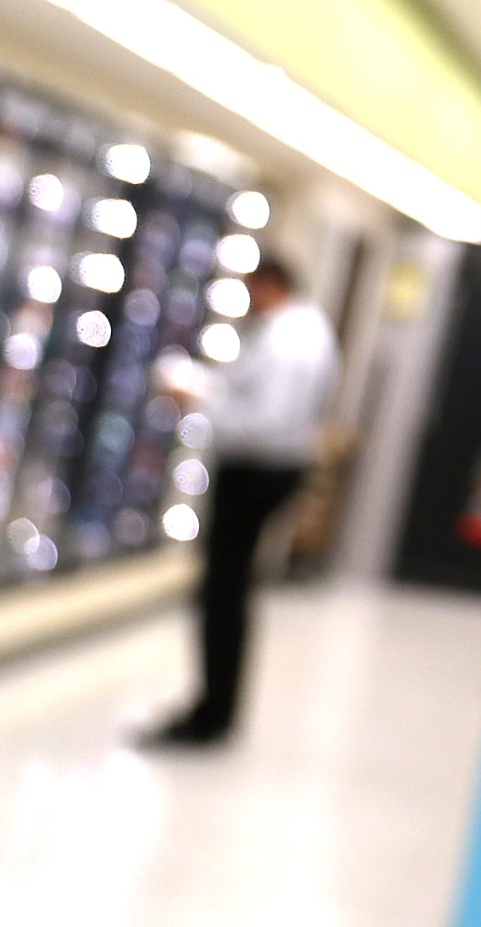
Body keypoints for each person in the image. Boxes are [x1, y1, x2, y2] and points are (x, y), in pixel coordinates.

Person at [146, 251, 338, 747]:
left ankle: (213, 714)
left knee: (224, 595)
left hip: (256, 472)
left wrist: (200, 403)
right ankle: (214, 706)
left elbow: (266, 421)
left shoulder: (289, 341)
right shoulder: (301, 332)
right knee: (227, 594)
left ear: (269, 283)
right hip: (266, 469)